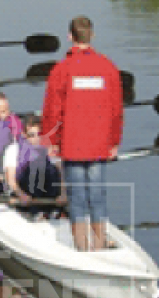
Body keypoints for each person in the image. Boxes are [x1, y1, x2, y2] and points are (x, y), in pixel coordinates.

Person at [42, 16, 123, 251]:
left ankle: (81, 247)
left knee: (76, 197)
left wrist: (51, 141)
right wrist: (114, 141)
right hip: (99, 143)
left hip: (72, 143)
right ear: (93, 36)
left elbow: (52, 111)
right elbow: (116, 109)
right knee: (97, 195)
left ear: (70, 37)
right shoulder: (108, 67)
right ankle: (99, 246)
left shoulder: (61, 69)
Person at [3, 115, 66, 218]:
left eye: (39, 134)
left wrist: (63, 194)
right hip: (24, 190)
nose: (37, 138)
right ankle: (37, 212)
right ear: (23, 134)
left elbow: (61, 172)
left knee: (51, 169)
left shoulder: (49, 147)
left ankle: (53, 210)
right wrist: (21, 195)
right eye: (32, 135)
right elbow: (10, 180)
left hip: (46, 192)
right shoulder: (13, 149)